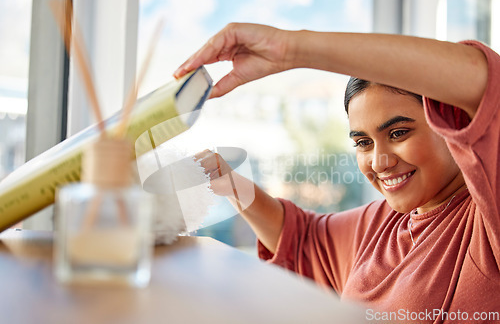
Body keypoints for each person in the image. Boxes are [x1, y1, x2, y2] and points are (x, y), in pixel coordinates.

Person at [175, 23, 500, 323]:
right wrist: (227, 181)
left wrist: (291, 49)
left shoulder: (487, 220)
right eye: (363, 142)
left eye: (399, 133)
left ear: (449, 122)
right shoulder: (382, 224)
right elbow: (301, 239)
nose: (379, 161)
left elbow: (486, 82)